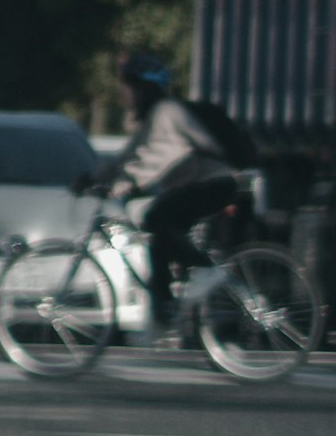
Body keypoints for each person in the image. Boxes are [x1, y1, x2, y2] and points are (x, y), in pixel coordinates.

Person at [97, 49, 246, 275]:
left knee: (156, 218)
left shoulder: (166, 113)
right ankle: (166, 303)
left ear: (144, 88)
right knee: (158, 237)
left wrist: (119, 187)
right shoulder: (152, 118)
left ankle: (208, 273)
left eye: (128, 86)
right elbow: (127, 156)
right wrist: (94, 178)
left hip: (214, 183)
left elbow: (152, 159)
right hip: (198, 184)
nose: (123, 93)